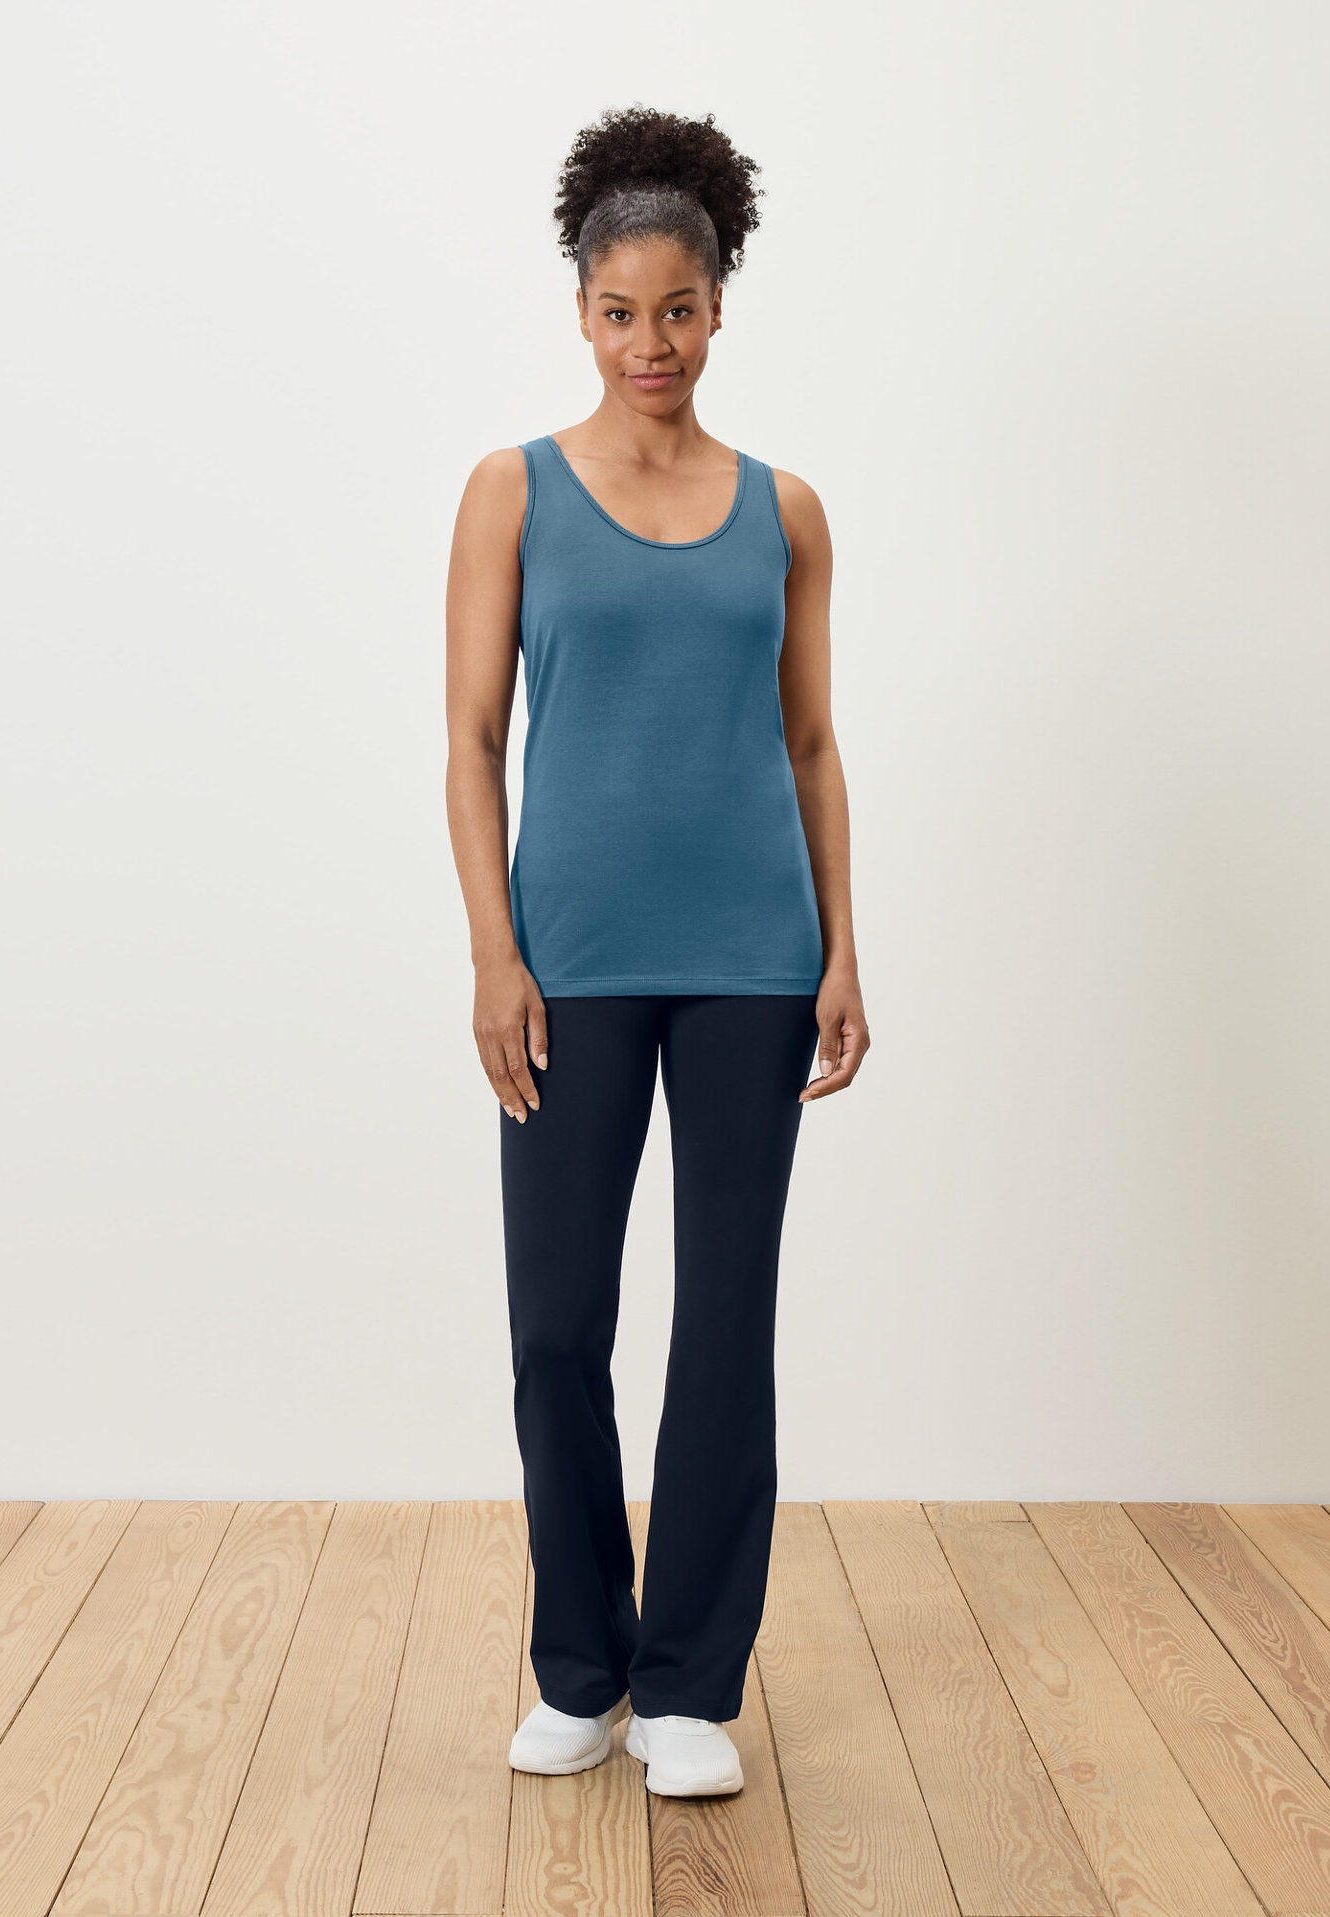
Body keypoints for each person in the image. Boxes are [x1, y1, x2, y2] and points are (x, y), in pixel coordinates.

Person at [443, 106, 870, 1799]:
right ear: (578, 307)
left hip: (754, 962)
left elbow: (815, 746)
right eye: (619, 311)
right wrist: (495, 952)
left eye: (676, 310)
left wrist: (841, 950)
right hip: (572, 961)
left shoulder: (787, 510)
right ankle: (581, 1662)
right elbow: (471, 739)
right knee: (556, 1321)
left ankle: (690, 1682)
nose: (649, 345)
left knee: (724, 1326)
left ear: (717, 308)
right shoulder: (510, 492)